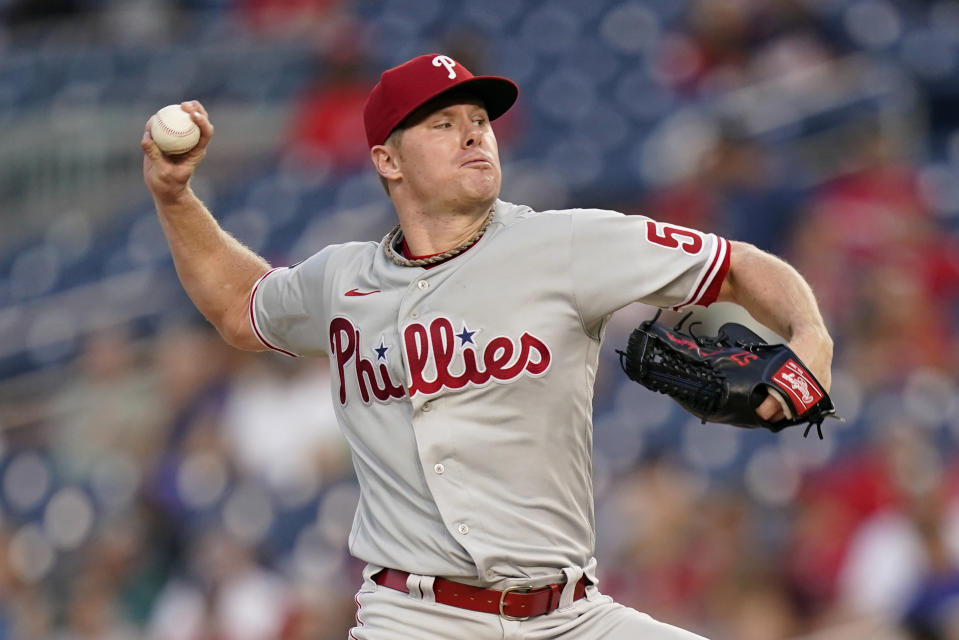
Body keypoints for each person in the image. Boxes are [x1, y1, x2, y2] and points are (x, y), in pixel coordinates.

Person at [141, 53, 833, 640]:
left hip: (571, 616)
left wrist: (811, 341)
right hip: (414, 619)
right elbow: (240, 305)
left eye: (479, 121)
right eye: (443, 125)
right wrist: (176, 200)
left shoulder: (562, 244)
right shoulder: (339, 281)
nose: (474, 135)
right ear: (387, 159)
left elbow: (738, 264)